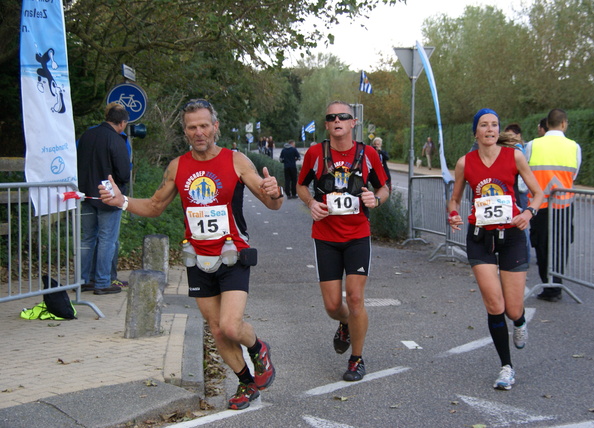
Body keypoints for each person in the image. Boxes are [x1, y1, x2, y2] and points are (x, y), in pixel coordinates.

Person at [99, 99, 282, 410]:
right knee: (214, 328)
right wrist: (121, 201)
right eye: (192, 127)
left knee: (230, 325)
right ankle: (246, 383)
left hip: (232, 254)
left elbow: (271, 203)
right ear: (185, 131)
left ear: (215, 127)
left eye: (204, 125)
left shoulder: (236, 161)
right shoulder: (178, 166)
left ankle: (257, 348)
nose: (199, 132)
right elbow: (156, 206)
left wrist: (275, 192)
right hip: (198, 258)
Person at [448, 108, 543, 391]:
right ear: (475, 131)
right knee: (494, 305)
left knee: (512, 309)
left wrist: (528, 213)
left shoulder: (514, 156)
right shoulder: (465, 162)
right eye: (484, 125)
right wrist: (453, 214)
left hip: (512, 235)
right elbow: (454, 200)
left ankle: (520, 320)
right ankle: (507, 367)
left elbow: (538, 193)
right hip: (480, 238)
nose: (490, 129)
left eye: (494, 125)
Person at [296, 101, 389, 382]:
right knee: (333, 306)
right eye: (331, 117)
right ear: (326, 125)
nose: (337, 120)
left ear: (353, 122)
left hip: (357, 234)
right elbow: (300, 185)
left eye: (343, 116)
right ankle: (345, 323)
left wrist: (377, 198)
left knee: (356, 298)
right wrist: (311, 202)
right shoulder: (315, 153)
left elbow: (384, 187)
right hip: (325, 236)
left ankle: (356, 359)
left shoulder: (367, 153)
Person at [526, 109, 581, 302]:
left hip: (539, 204)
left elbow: (525, 173)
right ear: (564, 123)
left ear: (547, 124)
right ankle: (557, 283)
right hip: (564, 204)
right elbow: (574, 174)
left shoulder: (533, 145)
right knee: (561, 244)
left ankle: (547, 284)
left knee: (542, 245)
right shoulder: (574, 146)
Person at [77, 102, 130, 295]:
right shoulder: (116, 140)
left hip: (85, 194)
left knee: (87, 239)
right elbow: (124, 173)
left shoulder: (86, 135)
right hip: (109, 196)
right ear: (122, 123)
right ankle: (102, 281)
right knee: (107, 239)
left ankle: (85, 280)